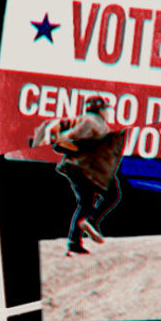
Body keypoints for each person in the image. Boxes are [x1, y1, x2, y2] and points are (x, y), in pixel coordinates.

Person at [31, 95, 127, 256]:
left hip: (83, 168)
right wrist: (68, 144)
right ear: (99, 109)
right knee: (109, 195)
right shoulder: (91, 121)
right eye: (105, 109)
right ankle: (90, 222)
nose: (107, 113)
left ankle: (74, 244)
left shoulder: (95, 122)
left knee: (87, 203)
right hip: (82, 167)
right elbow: (67, 138)